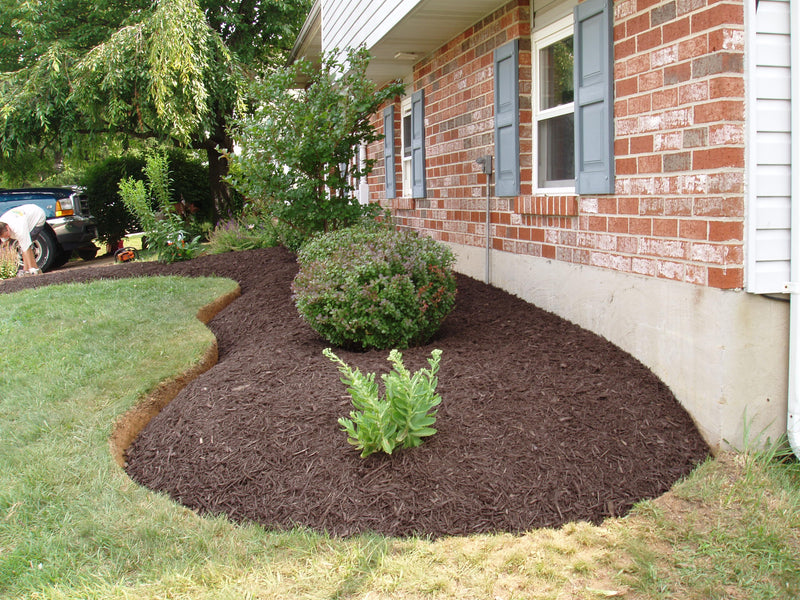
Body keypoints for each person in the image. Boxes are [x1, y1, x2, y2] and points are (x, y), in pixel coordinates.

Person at [0, 203, 47, 275]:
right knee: (23, 244)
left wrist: (29, 268)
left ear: (7, 228)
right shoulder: (2, 223)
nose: (6, 238)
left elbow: (25, 247)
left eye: (6, 235)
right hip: (24, 215)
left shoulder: (18, 227)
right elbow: (4, 243)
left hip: (37, 217)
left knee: (26, 245)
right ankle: (36, 270)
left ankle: (30, 270)